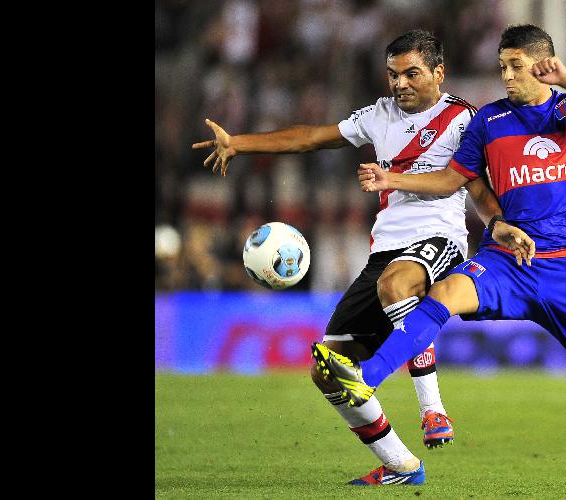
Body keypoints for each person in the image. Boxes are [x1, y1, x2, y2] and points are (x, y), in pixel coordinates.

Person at [312, 24, 566, 491]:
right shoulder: (488, 121)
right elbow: (455, 181)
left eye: (516, 66)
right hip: (507, 259)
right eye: (502, 67)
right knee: (444, 293)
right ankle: (367, 377)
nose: (507, 76)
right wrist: (394, 181)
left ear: (542, 65)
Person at [192, 30, 535, 486]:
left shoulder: (462, 118)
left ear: (438, 73)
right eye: (393, 75)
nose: (400, 84)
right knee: (328, 370)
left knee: (396, 285)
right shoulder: (378, 115)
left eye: (411, 73)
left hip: (440, 241)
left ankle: (433, 410)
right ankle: (400, 464)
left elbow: (474, 187)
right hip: (385, 251)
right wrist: (240, 144)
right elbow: (312, 137)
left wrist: (496, 225)